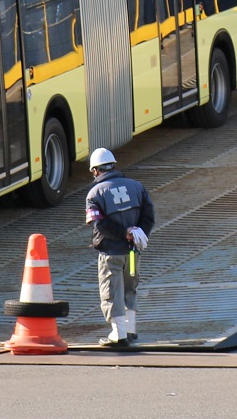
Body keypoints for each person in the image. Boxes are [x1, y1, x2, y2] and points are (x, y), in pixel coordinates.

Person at [82, 147, 154, 349]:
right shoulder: (137, 187)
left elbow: (100, 225)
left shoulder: (94, 194)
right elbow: (149, 216)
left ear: (95, 170)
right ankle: (130, 330)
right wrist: (136, 233)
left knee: (111, 290)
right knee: (130, 286)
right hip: (133, 252)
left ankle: (118, 334)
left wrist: (123, 233)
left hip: (111, 253)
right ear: (113, 165)